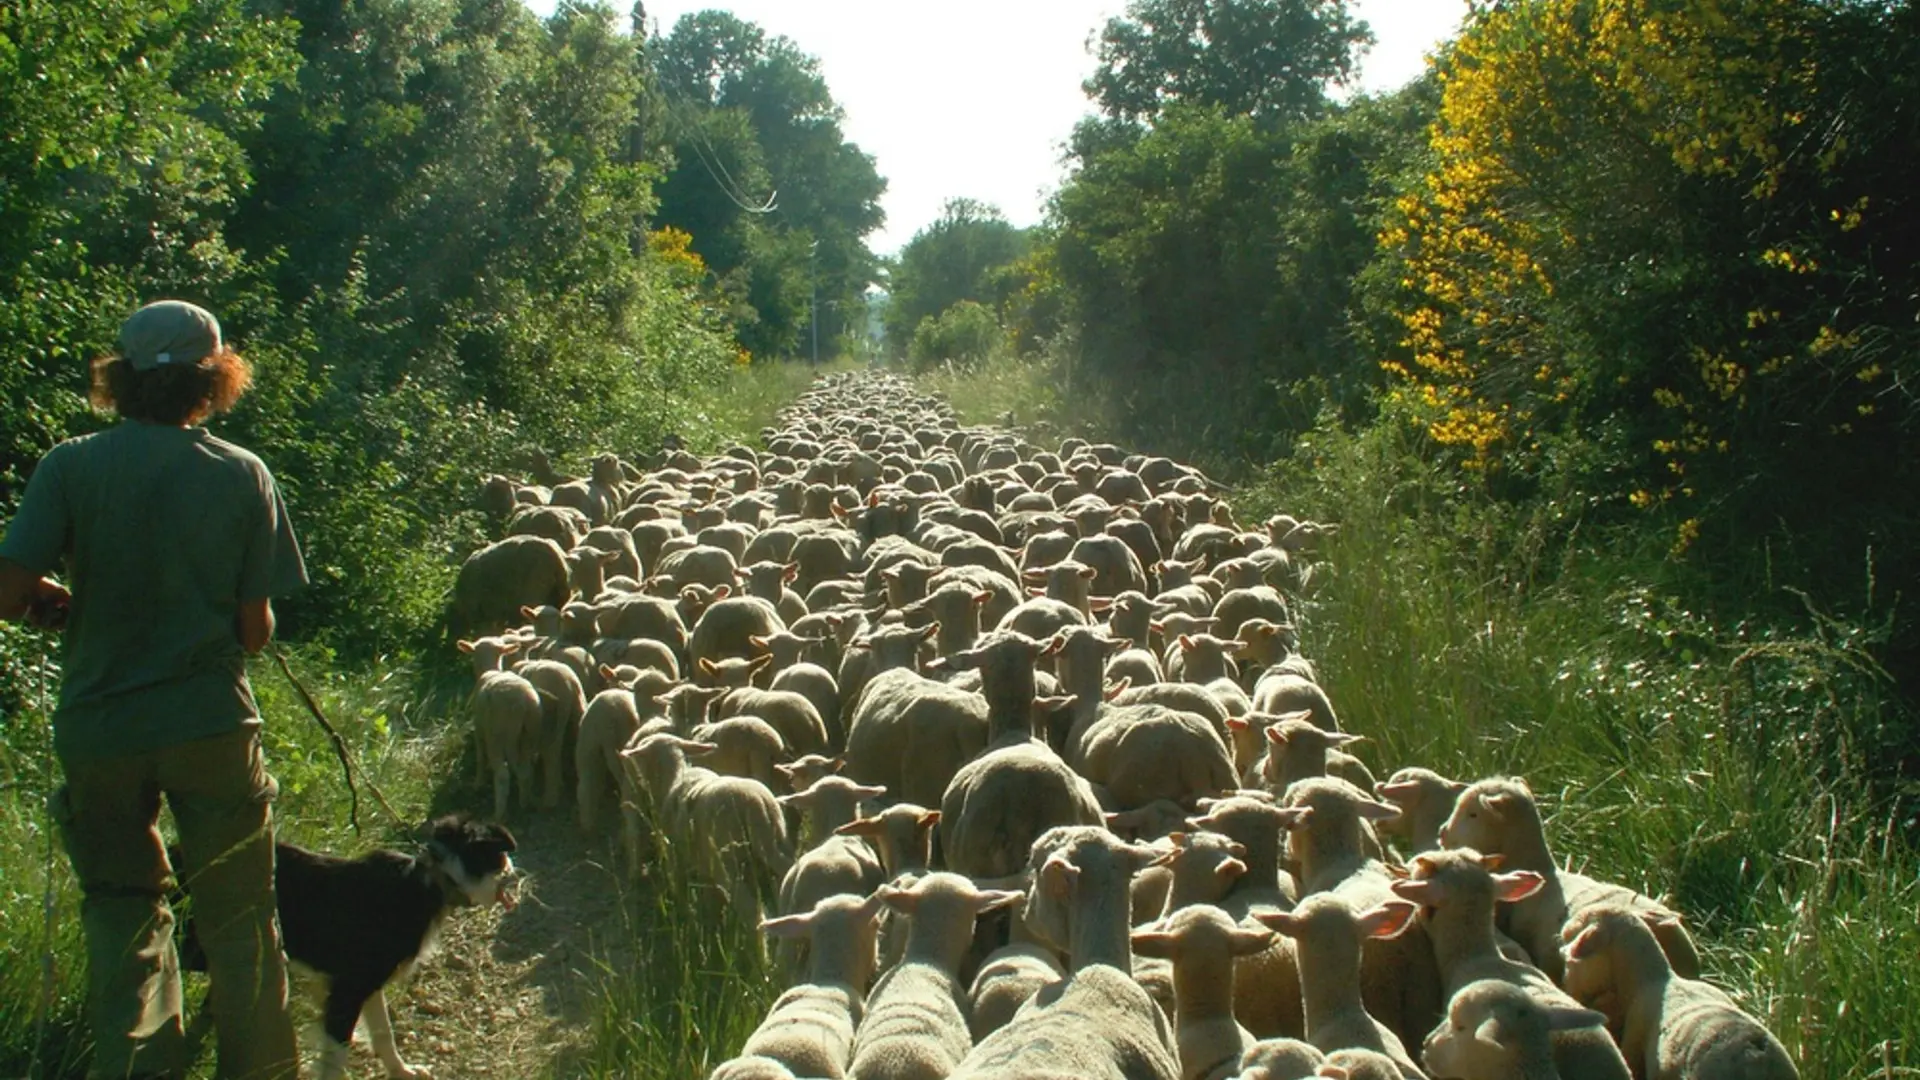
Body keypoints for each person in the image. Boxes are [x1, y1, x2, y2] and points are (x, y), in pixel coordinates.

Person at [0, 300, 304, 1079]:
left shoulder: (70, 465)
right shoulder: (244, 474)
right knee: (241, 918)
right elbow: (255, 632)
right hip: (209, 724)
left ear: (121, 380)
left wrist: (53, 600)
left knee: (123, 912)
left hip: (101, 726)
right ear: (217, 377)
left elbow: (8, 591)